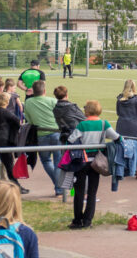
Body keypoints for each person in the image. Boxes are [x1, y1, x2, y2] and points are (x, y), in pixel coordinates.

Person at [68, 100, 118, 229]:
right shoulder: (103, 124)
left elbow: (71, 140)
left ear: (87, 110)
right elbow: (117, 137)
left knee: (78, 192)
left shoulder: (82, 125)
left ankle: (77, 220)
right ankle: (88, 220)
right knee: (92, 192)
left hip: (82, 161)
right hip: (97, 162)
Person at [23, 81, 62, 196]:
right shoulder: (53, 101)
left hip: (40, 135)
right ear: (44, 91)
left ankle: (57, 185)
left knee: (46, 160)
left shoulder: (28, 102)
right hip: (56, 133)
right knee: (58, 162)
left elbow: (29, 121)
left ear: (33, 91)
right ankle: (59, 187)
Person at [0, 93, 27, 193]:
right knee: (9, 167)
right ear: (7, 102)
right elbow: (17, 121)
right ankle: (17, 187)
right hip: (3, 142)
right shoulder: (5, 112)